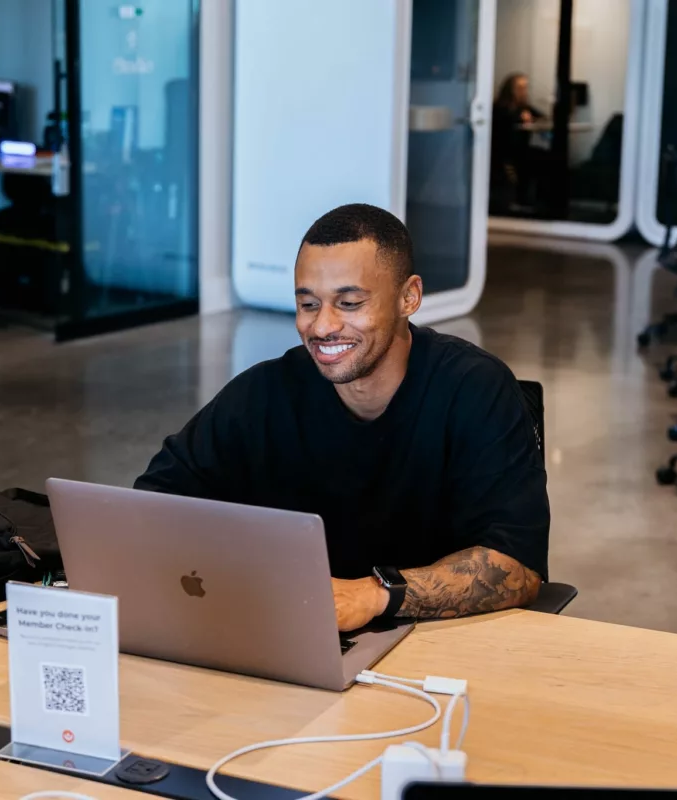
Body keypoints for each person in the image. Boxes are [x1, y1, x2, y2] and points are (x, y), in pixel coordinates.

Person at [135, 204, 550, 632]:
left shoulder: (475, 389)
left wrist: (375, 594)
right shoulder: (265, 392)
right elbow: (152, 504)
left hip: (437, 644)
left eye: (349, 302)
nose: (322, 326)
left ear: (409, 297)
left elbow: (517, 568)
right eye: (308, 303)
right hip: (297, 632)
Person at [490, 73, 547, 209]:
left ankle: (539, 202)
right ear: (510, 89)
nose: (523, 91)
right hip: (505, 151)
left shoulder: (525, 107)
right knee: (532, 160)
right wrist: (519, 118)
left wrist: (532, 119)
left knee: (548, 158)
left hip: (521, 149)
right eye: (520, 87)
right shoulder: (499, 107)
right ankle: (521, 200)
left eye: (525, 87)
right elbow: (504, 125)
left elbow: (544, 118)